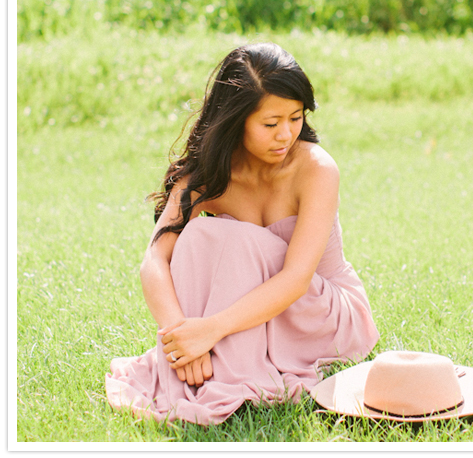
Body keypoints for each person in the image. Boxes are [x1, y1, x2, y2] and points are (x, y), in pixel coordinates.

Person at [105, 42, 379, 425]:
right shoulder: (208, 175)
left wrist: (211, 330)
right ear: (235, 120)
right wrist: (181, 339)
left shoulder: (316, 168)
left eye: (296, 118)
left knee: (238, 240)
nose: (286, 134)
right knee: (200, 237)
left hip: (321, 311)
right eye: (271, 123)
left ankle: (230, 361)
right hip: (247, 316)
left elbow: (297, 278)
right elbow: (155, 259)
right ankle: (210, 362)